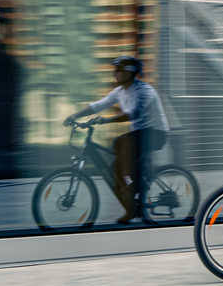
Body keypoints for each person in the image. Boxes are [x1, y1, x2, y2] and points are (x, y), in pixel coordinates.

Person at [67, 56, 170, 223]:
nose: (115, 73)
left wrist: (105, 120)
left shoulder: (144, 91)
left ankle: (138, 186)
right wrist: (75, 116)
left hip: (155, 133)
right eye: (115, 70)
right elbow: (98, 105)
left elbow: (133, 113)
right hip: (139, 133)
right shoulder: (120, 91)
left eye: (119, 70)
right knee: (115, 166)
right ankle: (131, 209)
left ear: (130, 73)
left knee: (123, 156)